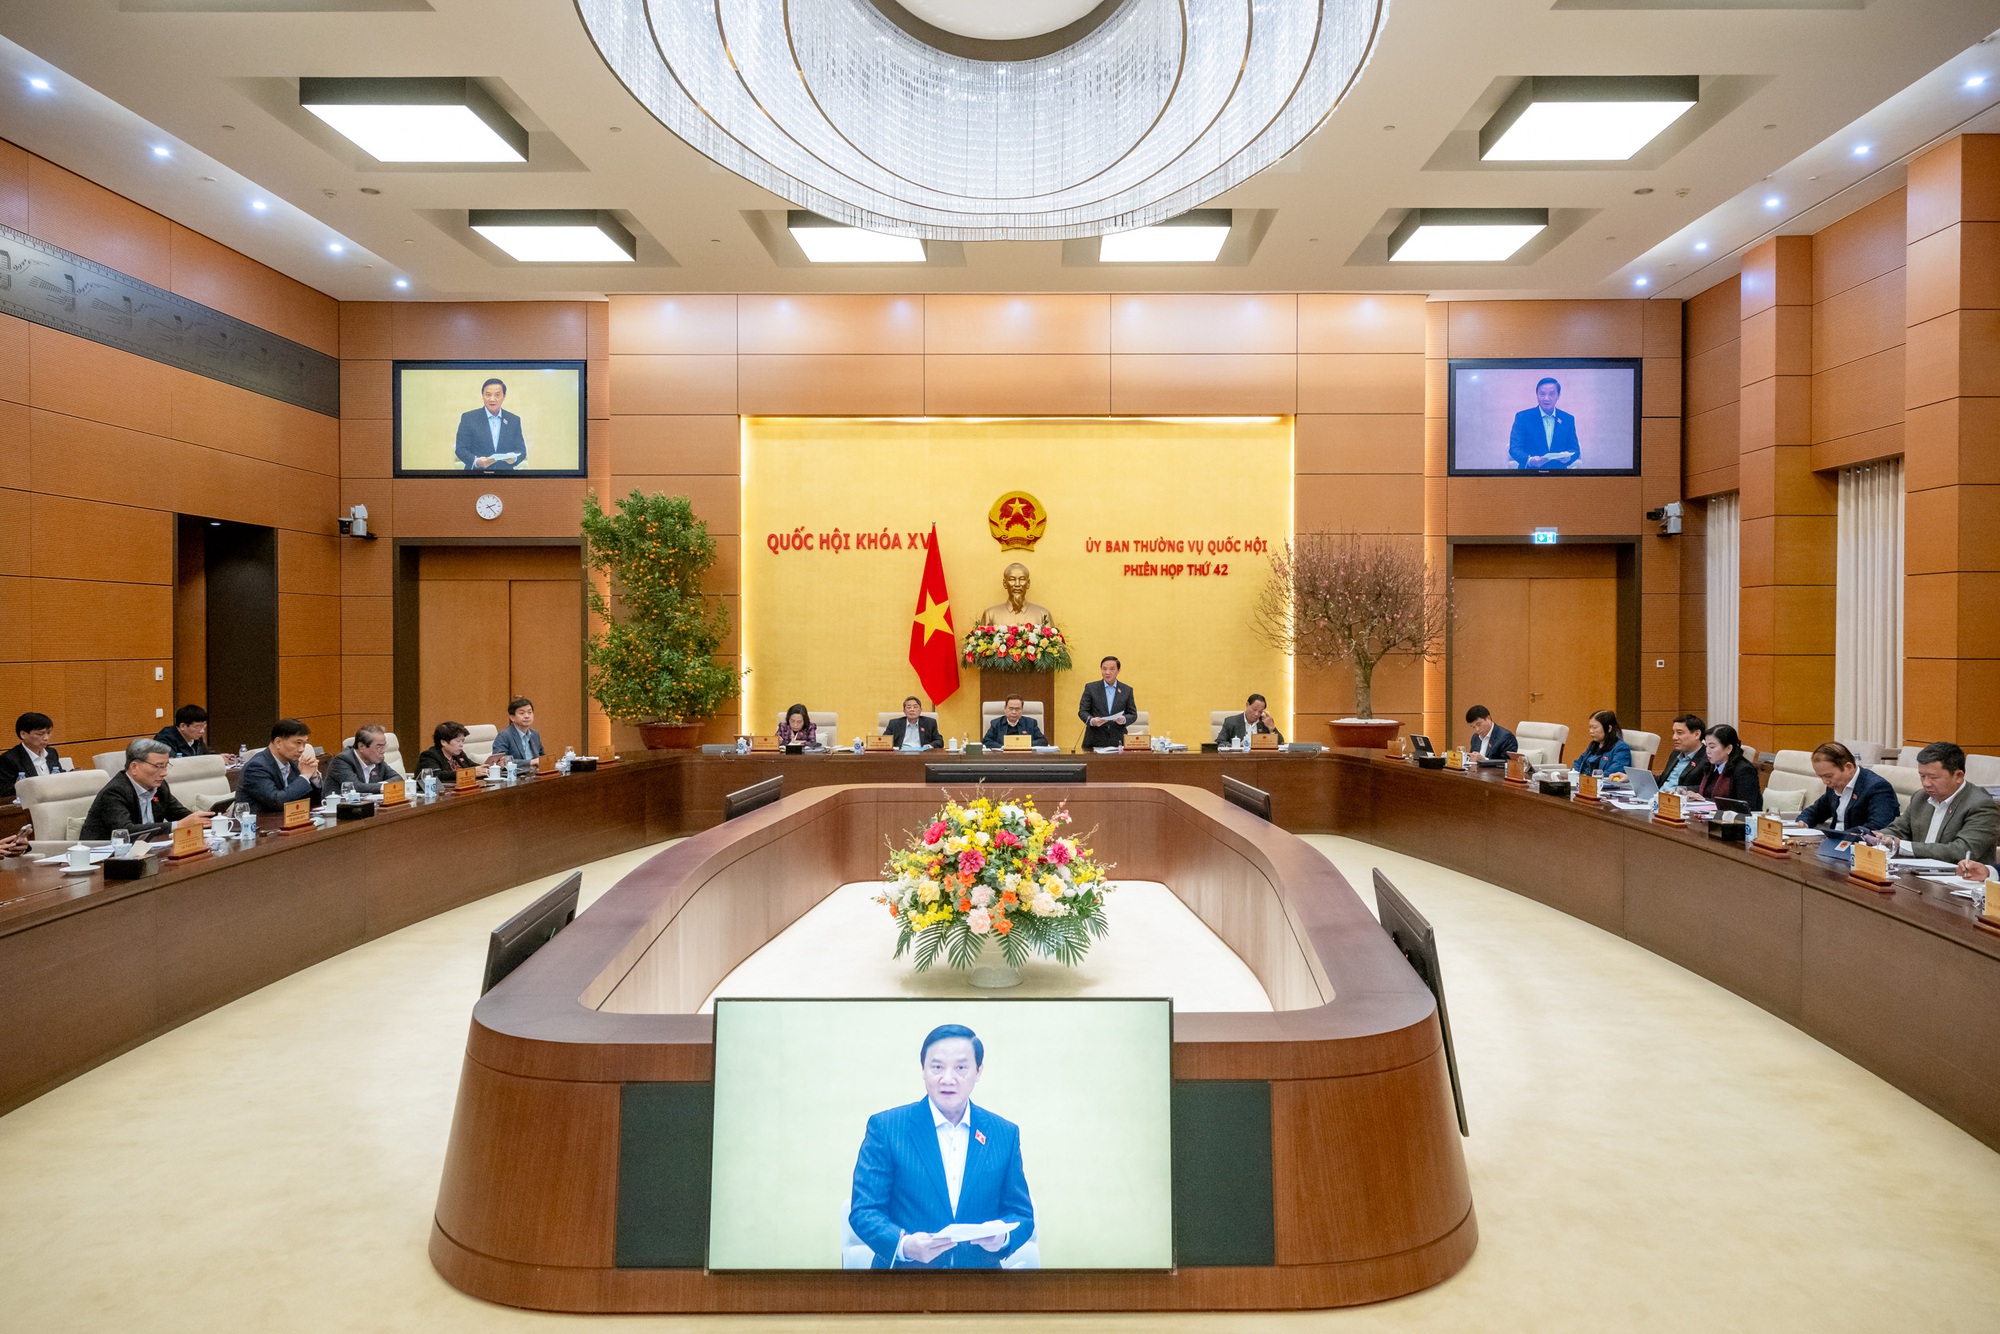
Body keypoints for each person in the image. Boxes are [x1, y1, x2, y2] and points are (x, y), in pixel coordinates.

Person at [848, 1024, 1034, 1270]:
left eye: (961, 1068)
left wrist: (1003, 1236)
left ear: (978, 1071)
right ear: (923, 1070)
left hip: (979, 1284)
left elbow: (1021, 1214)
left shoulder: (1003, 1133)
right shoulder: (887, 1128)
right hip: (905, 1282)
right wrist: (904, 1245)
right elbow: (864, 1211)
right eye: (937, 1067)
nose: (948, 1079)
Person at [1864, 742, 1997, 863]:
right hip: (1916, 872)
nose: (1926, 783)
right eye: (1922, 776)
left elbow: (1961, 851)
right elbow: (1898, 830)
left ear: (1958, 776)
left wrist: (1901, 846)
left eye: (1933, 777)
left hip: (1957, 877)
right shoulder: (1921, 797)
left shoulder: (1981, 805)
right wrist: (1881, 837)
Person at [80, 739, 211, 840]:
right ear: (134, 767)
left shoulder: (159, 787)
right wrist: (178, 825)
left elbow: (181, 814)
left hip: (146, 851)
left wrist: (210, 819)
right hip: (103, 856)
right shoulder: (115, 792)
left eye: (166, 766)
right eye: (158, 766)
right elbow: (125, 831)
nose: (164, 773)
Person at [1797, 742, 1898, 837]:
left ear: (1849, 767)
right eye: (1821, 776)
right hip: (1834, 843)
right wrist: (1803, 822)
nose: (1825, 782)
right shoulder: (1834, 786)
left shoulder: (1877, 787)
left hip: (1859, 846)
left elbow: (1877, 827)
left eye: (1829, 776)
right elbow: (1815, 811)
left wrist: (1840, 836)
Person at [238, 718, 322, 813]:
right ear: (278, 742)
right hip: (260, 821)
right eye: (298, 743)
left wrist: (313, 777)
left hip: (288, 819)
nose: (302, 749)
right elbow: (277, 801)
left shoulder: (294, 764)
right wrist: (305, 776)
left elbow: (314, 802)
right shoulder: (256, 767)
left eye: (304, 744)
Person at [453, 377, 527, 473]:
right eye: (488, 395)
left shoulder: (513, 420)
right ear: (483, 396)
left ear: (504, 396)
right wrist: (477, 461)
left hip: (505, 476)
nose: (492, 399)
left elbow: (521, 451)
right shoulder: (468, 418)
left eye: (497, 395)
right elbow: (461, 449)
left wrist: (514, 459)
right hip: (476, 476)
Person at [1507, 376, 1579, 470]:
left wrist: (1568, 458)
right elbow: (1515, 448)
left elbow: (1575, 450)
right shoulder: (1523, 417)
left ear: (1558, 396)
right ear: (1537, 395)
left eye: (1551, 394)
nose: (1546, 398)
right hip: (1530, 474)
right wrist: (1530, 460)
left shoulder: (1567, 419)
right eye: (1542, 394)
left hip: (1558, 474)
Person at [1693, 723, 1762, 810]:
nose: (1707, 751)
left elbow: (1747, 806)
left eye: (1712, 747)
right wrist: (1686, 791)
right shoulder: (1711, 766)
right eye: (1706, 746)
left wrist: (1706, 801)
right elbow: (1709, 790)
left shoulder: (1744, 771)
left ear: (1728, 748)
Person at [0, 712, 65, 802]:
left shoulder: (51, 752)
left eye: (48, 733)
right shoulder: (9, 759)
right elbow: (7, 793)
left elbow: (59, 777)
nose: (46, 738)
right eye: (40, 734)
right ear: (23, 734)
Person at [324, 725, 404, 795]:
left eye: (384, 746)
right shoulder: (342, 760)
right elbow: (356, 787)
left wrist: (381, 786)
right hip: (339, 806)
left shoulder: (377, 761)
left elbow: (398, 778)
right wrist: (384, 787)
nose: (383, 751)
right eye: (379, 747)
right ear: (361, 747)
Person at [1078, 656, 1137, 750]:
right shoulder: (1091, 688)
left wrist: (1124, 719)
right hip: (1094, 740)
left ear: (1118, 670)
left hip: (1118, 741)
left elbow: (1133, 714)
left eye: (1112, 669)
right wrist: (1092, 721)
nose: (1107, 672)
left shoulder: (1127, 690)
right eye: (1104, 669)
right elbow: (1083, 711)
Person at [415, 721, 490, 781]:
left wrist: (486, 767)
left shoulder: (459, 754)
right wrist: (470, 772)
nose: (461, 745)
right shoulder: (429, 755)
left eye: (463, 741)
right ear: (443, 742)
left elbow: (471, 765)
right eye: (458, 741)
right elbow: (437, 775)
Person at [1570, 710, 1632, 777]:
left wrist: (1593, 779)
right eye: (1590, 727)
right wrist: (1574, 775)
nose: (1591, 731)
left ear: (1609, 728)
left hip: (1601, 782)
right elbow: (1578, 763)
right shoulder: (1594, 745)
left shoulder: (1621, 748)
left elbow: (1614, 771)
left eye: (1594, 727)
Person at [1657, 714, 1707, 791]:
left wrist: (1680, 790)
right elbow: (1663, 779)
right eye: (1673, 732)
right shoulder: (1675, 753)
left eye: (1679, 733)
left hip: (1679, 797)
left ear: (1697, 734)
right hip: (1659, 795)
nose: (1674, 737)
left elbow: (1707, 788)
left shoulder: (1707, 758)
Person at [1216, 694, 1286, 748]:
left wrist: (1272, 728)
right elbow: (1220, 742)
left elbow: (1281, 743)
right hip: (1238, 759)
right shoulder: (1231, 722)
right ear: (1247, 705)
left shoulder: (1264, 724)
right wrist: (1236, 745)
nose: (1256, 714)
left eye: (1260, 711)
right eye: (1254, 709)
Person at [491, 698, 544, 765]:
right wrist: (530, 762)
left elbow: (542, 757)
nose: (527, 716)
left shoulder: (535, 734)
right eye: (522, 713)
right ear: (512, 718)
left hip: (535, 771)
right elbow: (500, 761)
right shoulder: (504, 736)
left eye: (529, 712)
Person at [981, 696, 1047, 749]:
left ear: (1022, 710)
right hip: (1002, 757)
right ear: (1005, 708)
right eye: (1011, 709)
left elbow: (1043, 741)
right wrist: (1003, 747)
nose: (1014, 712)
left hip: (1025, 757)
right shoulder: (996, 723)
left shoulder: (1031, 723)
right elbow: (986, 741)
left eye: (1017, 709)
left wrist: (1024, 745)